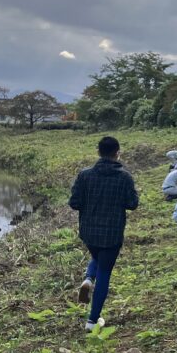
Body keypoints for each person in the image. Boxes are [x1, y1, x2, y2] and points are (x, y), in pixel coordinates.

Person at [69, 136, 140, 331]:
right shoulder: (124, 177)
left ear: (98, 152)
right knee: (105, 271)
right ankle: (92, 321)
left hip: (89, 232)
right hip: (112, 233)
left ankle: (88, 278)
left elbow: (74, 203)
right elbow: (132, 204)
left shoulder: (85, 175)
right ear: (118, 152)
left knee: (97, 257)